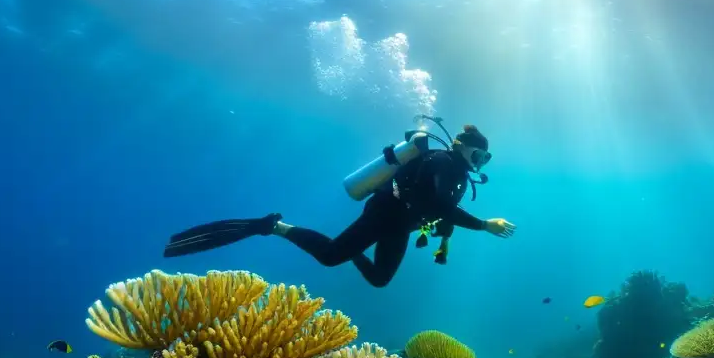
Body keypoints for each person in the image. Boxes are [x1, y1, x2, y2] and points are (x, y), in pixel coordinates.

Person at [163, 122, 516, 287]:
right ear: (461, 146)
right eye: (479, 154)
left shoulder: (458, 175)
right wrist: (484, 225)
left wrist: (444, 238)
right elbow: (439, 205)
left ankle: (350, 250)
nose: (481, 162)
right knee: (332, 256)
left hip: (401, 224)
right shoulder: (441, 162)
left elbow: (442, 211)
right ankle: (273, 225)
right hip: (385, 213)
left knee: (379, 279)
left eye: (486, 158)